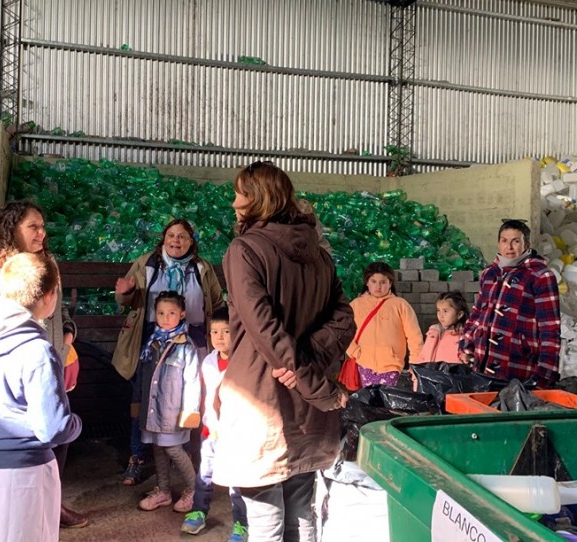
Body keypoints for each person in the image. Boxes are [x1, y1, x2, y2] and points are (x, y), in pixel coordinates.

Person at [214, 161, 355, 542]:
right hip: (308, 411)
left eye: (240, 194)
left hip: (263, 403)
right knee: (301, 516)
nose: (233, 203)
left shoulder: (244, 251)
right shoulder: (319, 254)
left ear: (258, 199)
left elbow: (265, 330)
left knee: (266, 526)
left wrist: (305, 374)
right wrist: (312, 366)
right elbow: (344, 318)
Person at [0, 201, 87, 528]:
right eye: (33, 226)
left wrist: (67, 336)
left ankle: (54, 503)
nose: (41, 232)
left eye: (43, 226)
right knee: (49, 435)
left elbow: (57, 311)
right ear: (12, 229)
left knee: (56, 445)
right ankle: (45, 507)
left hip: (46, 368)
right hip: (16, 381)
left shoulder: (46, 262)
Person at [113, 218, 224, 485]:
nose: (176, 241)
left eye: (183, 237)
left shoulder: (202, 268)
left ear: (191, 241)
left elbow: (217, 301)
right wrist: (124, 294)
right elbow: (126, 298)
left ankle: (187, 456)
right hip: (152, 342)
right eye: (171, 236)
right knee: (143, 400)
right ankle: (137, 457)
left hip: (191, 343)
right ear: (163, 238)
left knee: (189, 397)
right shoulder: (147, 263)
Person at [459, 219, 561, 388]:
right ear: (499, 243)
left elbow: (550, 328)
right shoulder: (489, 274)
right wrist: (465, 345)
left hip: (518, 365)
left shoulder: (540, 276)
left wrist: (545, 374)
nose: (510, 247)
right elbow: (478, 314)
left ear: (526, 244)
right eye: (504, 241)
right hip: (482, 364)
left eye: (516, 241)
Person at [180, 307, 248, 542]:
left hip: (237, 434)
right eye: (214, 332)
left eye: (226, 331)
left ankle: (241, 524)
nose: (219, 337)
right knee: (205, 474)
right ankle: (199, 511)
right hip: (211, 431)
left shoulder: (244, 363)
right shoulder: (208, 361)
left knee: (237, 481)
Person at [135, 291, 202, 513]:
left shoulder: (186, 346)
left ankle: (195, 490)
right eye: (161, 312)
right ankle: (163, 491)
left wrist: (190, 412)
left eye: (171, 313)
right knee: (158, 448)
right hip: (153, 410)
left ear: (182, 314)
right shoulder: (152, 343)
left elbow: (192, 381)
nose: (165, 317)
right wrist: (138, 404)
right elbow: (143, 378)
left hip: (173, 412)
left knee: (173, 449)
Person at [346, 261, 424, 387]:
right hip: (364, 363)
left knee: (385, 401)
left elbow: (415, 336)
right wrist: (354, 351)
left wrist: (415, 364)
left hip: (391, 365)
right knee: (368, 402)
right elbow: (345, 332)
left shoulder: (400, 305)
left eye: (383, 282)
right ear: (367, 282)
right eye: (373, 281)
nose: (378, 286)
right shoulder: (356, 305)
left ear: (390, 283)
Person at [413, 290, 469, 365]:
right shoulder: (433, 332)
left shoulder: (464, 336)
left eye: (445, 311)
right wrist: (416, 372)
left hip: (451, 376)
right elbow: (423, 356)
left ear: (459, 314)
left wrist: (468, 359)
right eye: (438, 310)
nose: (440, 315)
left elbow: (472, 359)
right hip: (430, 375)